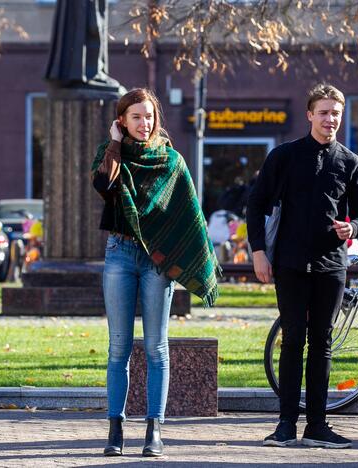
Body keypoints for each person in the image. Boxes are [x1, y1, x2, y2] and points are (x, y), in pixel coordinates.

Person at [91, 88, 219, 457]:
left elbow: (187, 216)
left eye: (148, 116)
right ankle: (116, 429)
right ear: (122, 121)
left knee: (156, 347)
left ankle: (154, 429)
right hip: (119, 254)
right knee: (118, 347)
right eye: (135, 117)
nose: (144, 124)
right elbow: (103, 186)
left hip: (157, 261)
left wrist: (183, 258)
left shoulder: (172, 161)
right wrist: (115, 145)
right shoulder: (110, 154)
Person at [247, 84, 358, 449]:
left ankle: (318, 424)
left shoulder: (350, 162)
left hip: (332, 265)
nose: (330, 119)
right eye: (323, 112)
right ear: (309, 114)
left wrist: (354, 228)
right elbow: (256, 205)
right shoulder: (283, 156)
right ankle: (285, 423)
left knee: (322, 343)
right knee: (292, 342)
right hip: (288, 263)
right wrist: (258, 251)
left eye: (336, 113)